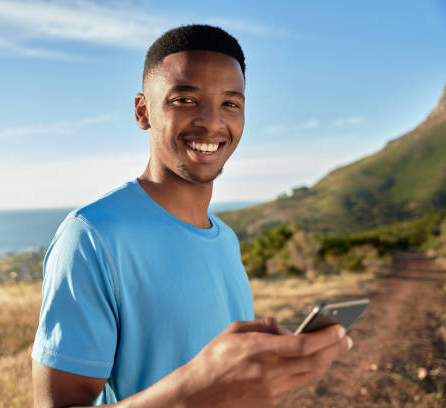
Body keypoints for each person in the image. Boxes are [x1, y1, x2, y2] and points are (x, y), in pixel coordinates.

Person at [31, 24, 353, 407]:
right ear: (142, 111)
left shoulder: (227, 240)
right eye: (185, 100)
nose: (213, 123)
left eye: (230, 104)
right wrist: (192, 393)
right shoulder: (91, 237)